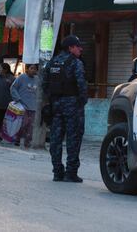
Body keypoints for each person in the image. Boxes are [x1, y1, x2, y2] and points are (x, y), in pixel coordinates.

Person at [43, 35, 87, 183]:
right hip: (72, 106)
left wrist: (52, 100)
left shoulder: (52, 62)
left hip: (56, 106)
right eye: (77, 46)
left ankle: (57, 171)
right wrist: (81, 102)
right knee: (73, 139)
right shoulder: (75, 63)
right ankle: (71, 172)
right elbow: (81, 85)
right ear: (70, 48)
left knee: (55, 139)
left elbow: (44, 84)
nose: (80, 48)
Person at [10, 63, 38, 148]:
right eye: (31, 68)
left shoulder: (37, 79)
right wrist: (17, 98)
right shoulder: (21, 77)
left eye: (35, 69)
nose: (33, 70)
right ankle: (17, 139)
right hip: (22, 106)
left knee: (31, 126)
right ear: (27, 69)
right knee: (23, 124)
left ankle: (27, 142)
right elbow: (13, 87)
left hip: (33, 106)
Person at [0, 62, 14, 142]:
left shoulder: (12, 78)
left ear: (5, 70)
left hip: (8, 104)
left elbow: (14, 91)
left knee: (8, 121)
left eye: (0, 68)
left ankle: (8, 136)